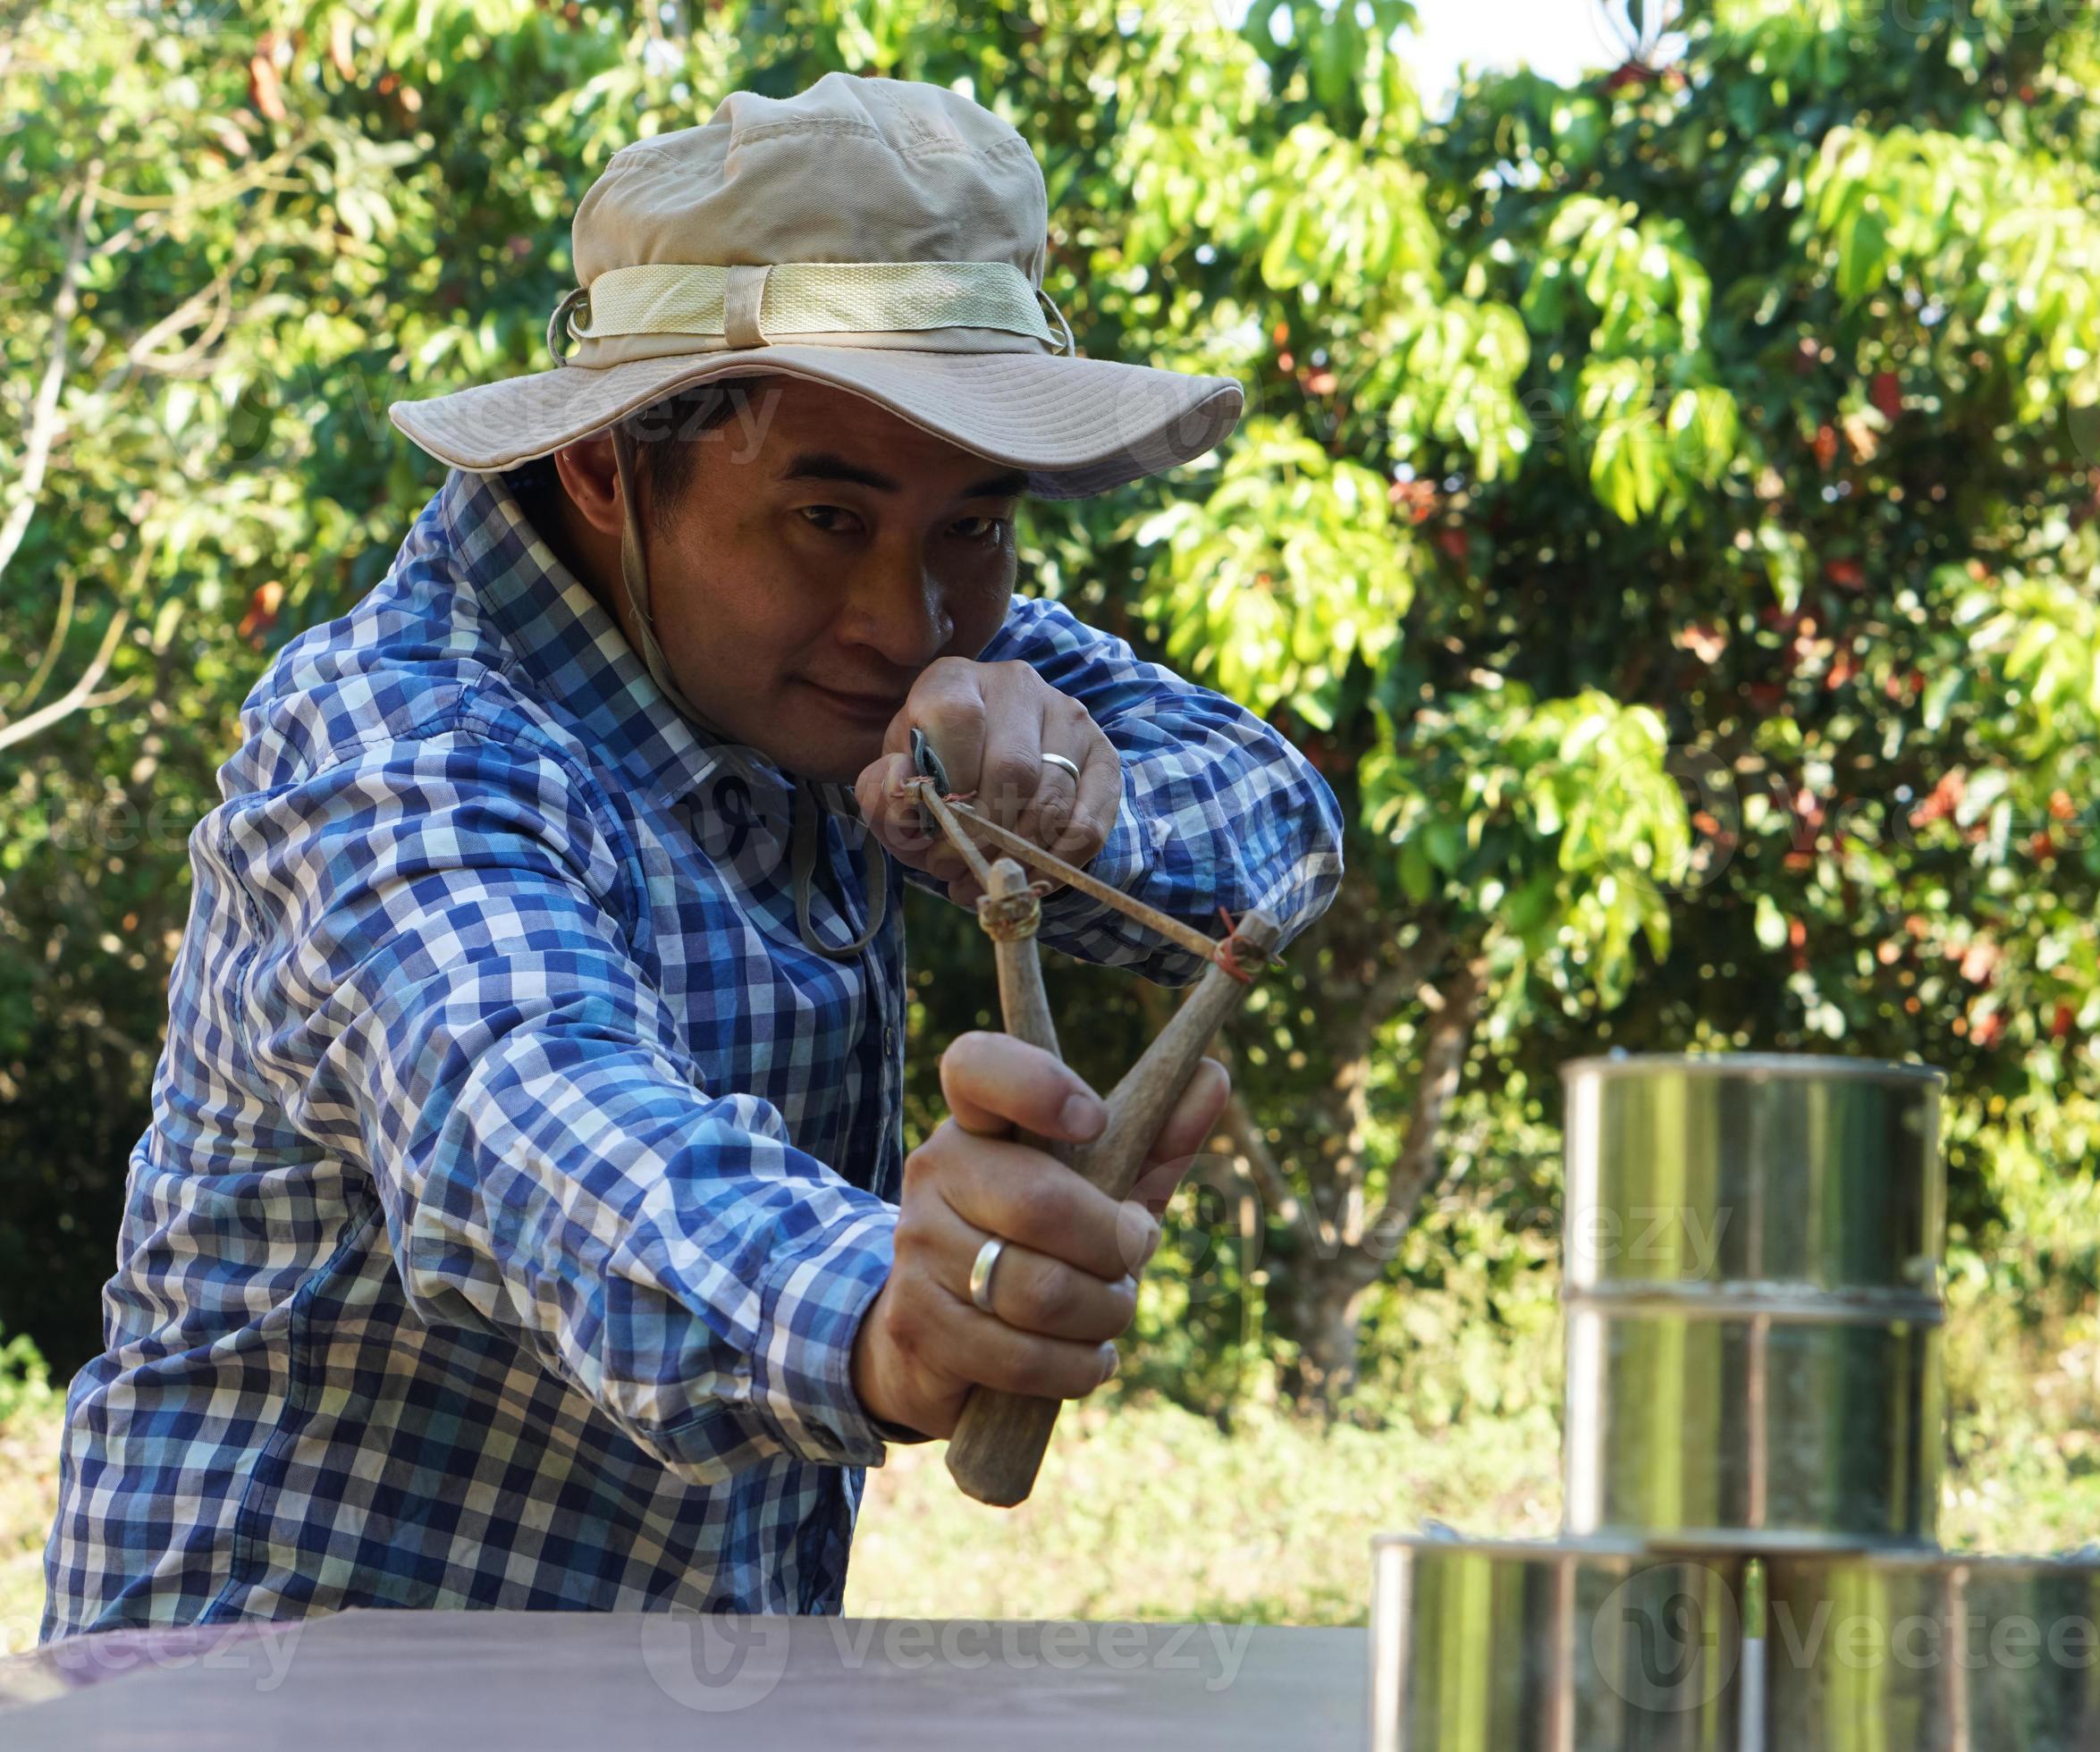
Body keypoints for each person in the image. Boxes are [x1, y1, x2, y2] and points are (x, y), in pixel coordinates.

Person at [42, 73, 1341, 1636]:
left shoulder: (898, 665)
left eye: (975, 528)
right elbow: (531, 1116)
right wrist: (886, 1308)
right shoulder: (394, 743)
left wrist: (1054, 805)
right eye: (823, 520)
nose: (905, 620)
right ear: (606, 468)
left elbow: (1278, 839)